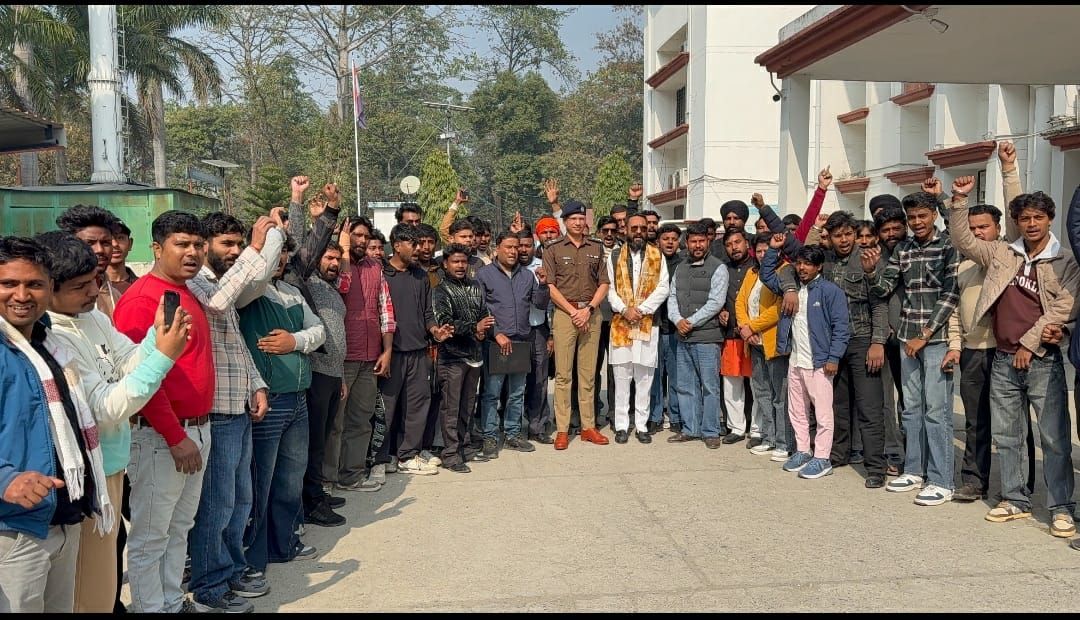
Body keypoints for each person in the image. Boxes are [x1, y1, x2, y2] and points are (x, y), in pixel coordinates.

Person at [39, 232, 187, 613]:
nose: (94, 291)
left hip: (112, 465)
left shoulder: (91, 318)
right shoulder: (53, 336)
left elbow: (125, 361)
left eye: (95, 281)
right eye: (80, 286)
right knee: (87, 591)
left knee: (105, 582)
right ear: (48, 289)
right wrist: (163, 357)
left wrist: (157, 337)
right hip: (87, 474)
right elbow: (105, 408)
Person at [950, 172, 1078, 536]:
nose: (1032, 223)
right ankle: (1015, 499)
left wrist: (1029, 344)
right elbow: (963, 240)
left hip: (1042, 361)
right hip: (1003, 359)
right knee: (1008, 435)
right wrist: (959, 201)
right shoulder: (1003, 253)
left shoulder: (1065, 261)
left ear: (1050, 219)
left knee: (1053, 438)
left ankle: (1061, 507)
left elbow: (1065, 307)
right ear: (1016, 222)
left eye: (1039, 217)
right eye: (1025, 218)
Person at [0, 236, 114, 613]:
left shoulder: (48, 342)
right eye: (8, 284)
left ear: (50, 287)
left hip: (60, 516)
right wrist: (5, 479)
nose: (22, 295)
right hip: (13, 529)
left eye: (34, 284)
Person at [112, 211, 217, 613]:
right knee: (151, 536)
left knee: (179, 528)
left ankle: (172, 601)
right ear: (157, 248)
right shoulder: (143, 300)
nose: (193, 252)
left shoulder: (187, 291)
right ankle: (151, 608)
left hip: (196, 430)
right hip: (162, 437)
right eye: (181, 244)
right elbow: (139, 376)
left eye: (198, 245)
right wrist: (175, 436)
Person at [176, 211, 281, 613]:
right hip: (215, 412)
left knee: (239, 499)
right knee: (216, 505)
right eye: (227, 244)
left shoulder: (219, 283)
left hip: (237, 406)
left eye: (239, 244)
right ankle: (210, 586)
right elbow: (218, 305)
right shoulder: (197, 284)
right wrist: (255, 248)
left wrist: (257, 384)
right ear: (205, 246)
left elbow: (236, 345)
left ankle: (233, 568)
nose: (234, 252)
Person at [863, 190, 959, 506]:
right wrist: (870, 271)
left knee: (936, 411)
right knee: (912, 409)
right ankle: (915, 470)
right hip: (907, 338)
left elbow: (950, 295)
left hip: (936, 339)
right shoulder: (903, 249)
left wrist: (926, 334)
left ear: (934, 216)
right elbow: (884, 287)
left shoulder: (947, 246)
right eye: (913, 217)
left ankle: (942, 480)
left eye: (923, 216)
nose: (917, 222)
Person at [762, 242, 849, 480]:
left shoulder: (830, 291)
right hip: (796, 360)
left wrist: (834, 357)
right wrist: (773, 249)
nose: (802, 268)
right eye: (799, 263)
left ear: (819, 266)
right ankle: (803, 450)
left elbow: (841, 328)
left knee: (823, 414)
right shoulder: (791, 289)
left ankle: (822, 457)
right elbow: (766, 275)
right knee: (797, 410)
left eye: (808, 264)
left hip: (819, 362)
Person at [375, 225, 452, 473]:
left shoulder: (420, 275)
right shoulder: (382, 274)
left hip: (418, 351)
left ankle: (408, 454)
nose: (418, 249)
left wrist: (435, 331)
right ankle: (381, 458)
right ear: (397, 245)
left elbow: (428, 312)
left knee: (417, 405)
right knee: (387, 408)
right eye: (413, 244)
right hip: (391, 353)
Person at [820, 211, 888, 487]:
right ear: (830, 238)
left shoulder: (869, 259)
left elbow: (879, 304)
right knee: (838, 404)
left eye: (849, 234)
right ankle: (839, 454)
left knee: (869, 408)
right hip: (834, 344)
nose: (844, 240)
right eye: (838, 235)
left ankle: (875, 467)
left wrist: (877, 342)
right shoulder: (824, 262)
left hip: (862, 340)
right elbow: (793, 257)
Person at [329, 217, 395, 492]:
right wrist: (343, 251)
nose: (362, 240)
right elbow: (342, 286)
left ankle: (351, 476)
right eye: (356, 235)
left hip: (370, 357)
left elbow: (386, 311)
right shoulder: (335, 265)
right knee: (335, 422)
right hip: (342, 358)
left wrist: (387, 351)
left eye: (365, 236)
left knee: (361, 420)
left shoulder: (375, 268)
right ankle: (327, 480)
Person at [543, 200, 611, 450]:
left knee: (588, 374)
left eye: (581, 219)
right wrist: (574, 311)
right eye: (573, 219)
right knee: (563, 375)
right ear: (565, 222)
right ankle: (562, 429)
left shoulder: (596, 247)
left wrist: (589, 309)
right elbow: (550, 286)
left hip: (590, 313)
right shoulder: (553, 249)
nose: (578, 223)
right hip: (565, 313)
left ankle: (588, 426)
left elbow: (604, 283)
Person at [476, 232, 550, 456]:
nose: (513, 251)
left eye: (516, 247)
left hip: (521, 341)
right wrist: (496, 333)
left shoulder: (527, 276)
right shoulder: (484, 274)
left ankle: (512, 434)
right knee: (492, 393)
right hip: (496, 342)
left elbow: (539, 303)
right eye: (508, 247)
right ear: (497, 248)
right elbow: (480, 308)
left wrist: (543, 285)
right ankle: (490, 436)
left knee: (517, 393)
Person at [606, 213, 670, 444]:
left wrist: (641, 310)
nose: (639, 232)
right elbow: (608, 287)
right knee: (622, 376)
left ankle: (642, 425)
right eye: (634, 228)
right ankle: (622, 425)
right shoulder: (615, 255)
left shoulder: (657, 255)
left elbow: (663, 287)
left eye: (643, 228)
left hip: (647, 323)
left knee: (644, 378)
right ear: (626, 230)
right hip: (621, 324)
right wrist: (625, 310)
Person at [667, 222, 728, 448]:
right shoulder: (681, 268)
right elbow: (672, 297)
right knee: (685, 384)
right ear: (687, 243)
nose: (698, 245)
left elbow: (716, 302)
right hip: (683, 335)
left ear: (708, 241)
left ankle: (710, 431)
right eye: (693, 241)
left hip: (707, 336)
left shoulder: (718, 268)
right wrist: (677, 320)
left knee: (709, 386)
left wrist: (690, 322)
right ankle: (690, 428)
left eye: (702, 241)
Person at [432, 244, 491, 472]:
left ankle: (465, 447)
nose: (460, 266)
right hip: (452, 357)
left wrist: (482, 331)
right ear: (445, 264)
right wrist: (474, 327)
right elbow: (446, 322)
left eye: (463, 261)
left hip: (474, 355)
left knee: (468, 405)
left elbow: (483, 313)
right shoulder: (440, 290)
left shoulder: (475, 286)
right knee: (451, 408)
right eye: (455, 261)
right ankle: (450, 454)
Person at [736, 235, 793, 462]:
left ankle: (783, 441)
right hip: (754, 342)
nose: (762, 255)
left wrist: (752, 327)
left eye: (766, 251)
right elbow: (740, 302)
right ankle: (768, 438)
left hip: (773, 342)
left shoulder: (785, 271)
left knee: (780, 394)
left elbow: (779, 308)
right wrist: (744, 328)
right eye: (758, 251)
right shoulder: (752, 273)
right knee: (762, 392)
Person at [873, 204, 908, 475]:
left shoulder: (915, 252)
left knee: (910, 401)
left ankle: (914, 455)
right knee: (885, 400)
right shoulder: (873, 258)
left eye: (897, 228)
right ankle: (894, 453)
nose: (891, 233)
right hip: (884, 339)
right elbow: (878, 299)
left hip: (914, 339)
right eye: (886, 230)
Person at [718, 228, 755, 444]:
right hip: (731, 335)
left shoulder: (758, 267)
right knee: (732, 385)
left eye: (737, 242)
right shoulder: (723, 270)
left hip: (755, 336)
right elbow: (717, 296)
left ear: (746, 243)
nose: (734, 247)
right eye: (729, 244)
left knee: (757, 386)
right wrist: (722, 310)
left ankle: (758, 429)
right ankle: (736, 428)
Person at [56, 204, 124, 319]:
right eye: (90, 243)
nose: (100, 250)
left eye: (105, 243)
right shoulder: (57, 299)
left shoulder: (116, 296)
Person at [518, 228, 554, 443]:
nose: (523, 250)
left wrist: (551, 334)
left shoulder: (542, 267)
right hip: (513, 332)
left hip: (538, 329)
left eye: (527, 245)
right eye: (519, 246)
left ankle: (537, 426)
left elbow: (550, 304)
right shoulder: (506, 267)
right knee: (513, 383)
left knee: (539, 380)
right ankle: (511, 427)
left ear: (534, 247)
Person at [649, 223, 684, 434]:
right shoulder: (651, 263)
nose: (670, 242)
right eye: (665, 239)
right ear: (658, 242)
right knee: (654, 375)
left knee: (676, 376)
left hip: (675, 329)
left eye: (674, 239)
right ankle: (655, 416)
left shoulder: (684, 264)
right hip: (653, 325)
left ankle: (676, 415)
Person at [106, 221, 139, 295]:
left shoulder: (142, 286)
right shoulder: (92, 287)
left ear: (130, 243)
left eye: (120, 238)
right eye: (108, 239)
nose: (115, 244)